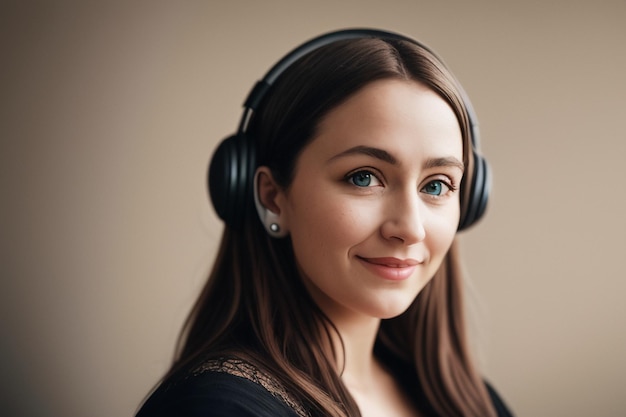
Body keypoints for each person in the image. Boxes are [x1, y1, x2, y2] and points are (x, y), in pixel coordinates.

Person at [136, 29, 513, 417]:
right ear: (272, 197)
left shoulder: (474, 403)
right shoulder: (215, 409)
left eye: (436, 185)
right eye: (363, 177)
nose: (411, 228)